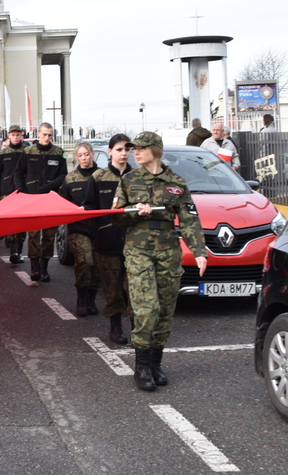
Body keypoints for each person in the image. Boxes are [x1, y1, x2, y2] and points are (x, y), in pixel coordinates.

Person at [111, 131, 207, 392]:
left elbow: (189, 219)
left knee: (165, 308)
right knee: (145, 308)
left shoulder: (176, 182)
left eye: (141, 148)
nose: (135, 152)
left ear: (155, 150)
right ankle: (141, 366)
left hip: (168, 250)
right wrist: (133, 211)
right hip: (138, 249)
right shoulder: (129, 180)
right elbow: (116, 216)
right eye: (133, 149)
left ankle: (155, 363)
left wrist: (199, 251)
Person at [86, 134, 133, 344]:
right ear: (111, 151)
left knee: (134, 289)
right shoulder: (98, 177)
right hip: (108, 243)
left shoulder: (137, 177)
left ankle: (137, 330)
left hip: (134, 244)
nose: (124, 153)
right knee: (112, 289)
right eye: (120, 149)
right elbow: (89, 208)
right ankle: (115, 328)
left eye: (127, 150)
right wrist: (99, 231)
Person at [14, 122, 68, 282]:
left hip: (50, 198)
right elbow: (18, 172)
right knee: (34, 235)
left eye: (50, 135)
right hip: (32, 199)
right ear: (38, 134)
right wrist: (21, 191)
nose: (47, 138)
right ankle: (34, 268)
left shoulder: (59, 153)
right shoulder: (28, 152)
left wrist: (49, 187)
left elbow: (63, 175)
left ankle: (44, 269)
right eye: (44, 134)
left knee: (49, 235)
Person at [59, 143, 99, 316]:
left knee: (97, 265)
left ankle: (91, 299)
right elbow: (62, 203)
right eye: (80, 155)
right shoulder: (71, 178)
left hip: (100, 227)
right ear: (76, 157)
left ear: (92, 155)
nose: (83, 158)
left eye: (86, 154)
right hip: (79, 227)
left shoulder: (102, 175)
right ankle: (81, 298)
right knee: (85, 261)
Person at [0, 125, 28, 263]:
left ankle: (19, 250)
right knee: (11, 222)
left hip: (23, 191)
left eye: (18, 135)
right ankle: (14, 251)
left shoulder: (27, 150)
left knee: (23, 224)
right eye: (13, 135)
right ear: (9, 136)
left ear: (21, 136)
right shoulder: (4, 152)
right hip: (6, 190)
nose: (16, 137)